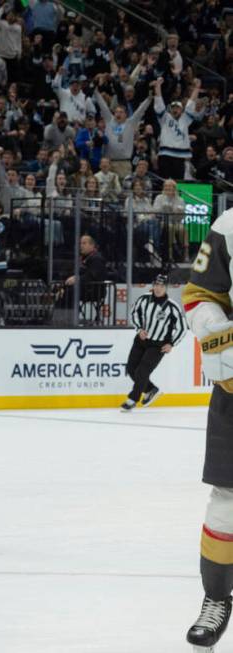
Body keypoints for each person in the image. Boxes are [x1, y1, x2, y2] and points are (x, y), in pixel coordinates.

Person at [181, 206, 233, 649]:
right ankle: (216, 598)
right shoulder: (227, 225)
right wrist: (218, 335)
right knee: (228, 499)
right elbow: (198, 294)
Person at [121, 274, 186, 411]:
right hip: (141, 340)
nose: (158, 288)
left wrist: (172, 343)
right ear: (153, 285)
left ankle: (132, 399)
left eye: (162, 286)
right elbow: (134, 313)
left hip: (158, 346)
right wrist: (139, 329)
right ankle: (152, 390)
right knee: (131, 369)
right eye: (156, 285)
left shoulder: (172, 307)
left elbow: (182, 328)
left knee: (142, 370)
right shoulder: (144, 299)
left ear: (166, 287)